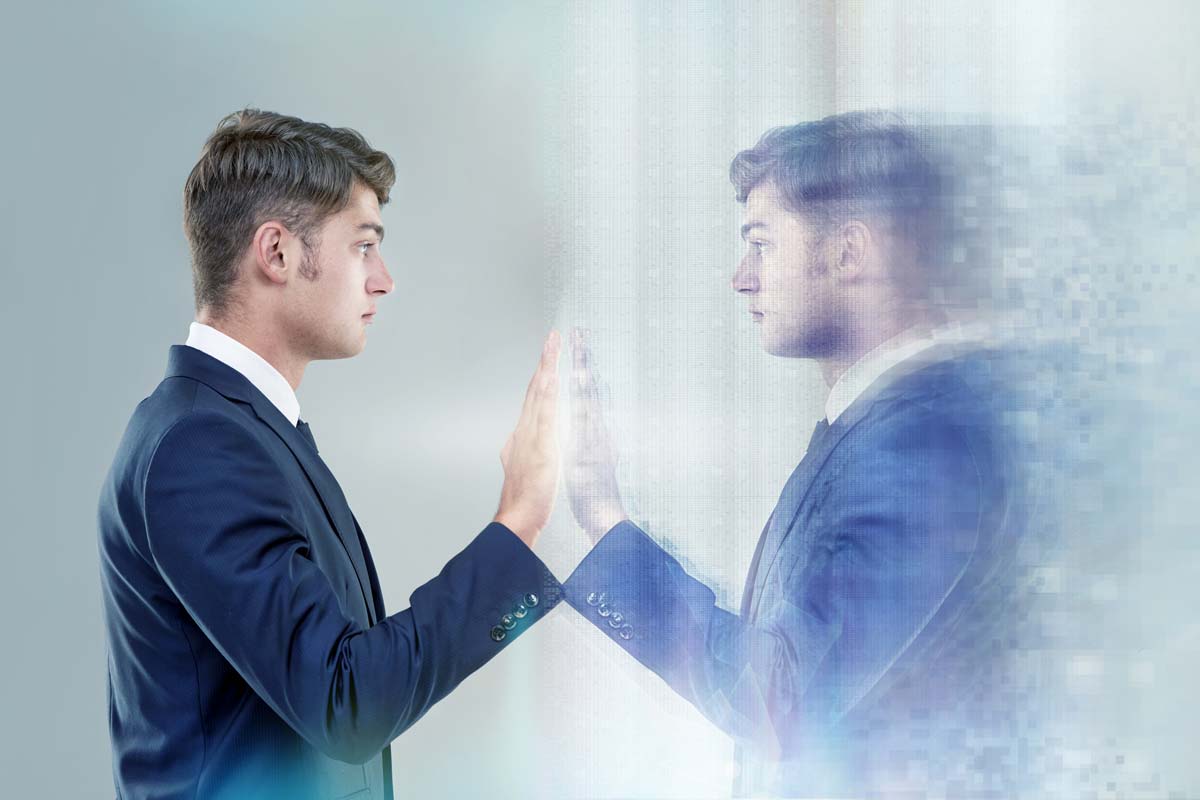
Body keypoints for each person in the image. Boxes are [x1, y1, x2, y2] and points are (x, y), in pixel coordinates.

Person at [560, 112, 1036, 796]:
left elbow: (778, 701)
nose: (742, 278)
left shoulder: (921, 444)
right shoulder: (885, 427)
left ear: (849, 254)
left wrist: (604, 517)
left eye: (763, 244)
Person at [97, 109, 563, 800]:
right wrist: (518, 521)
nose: (383, 280)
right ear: (277, 253)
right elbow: (347, 703)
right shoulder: (201, 447)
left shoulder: (246, 432)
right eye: (362, 246)